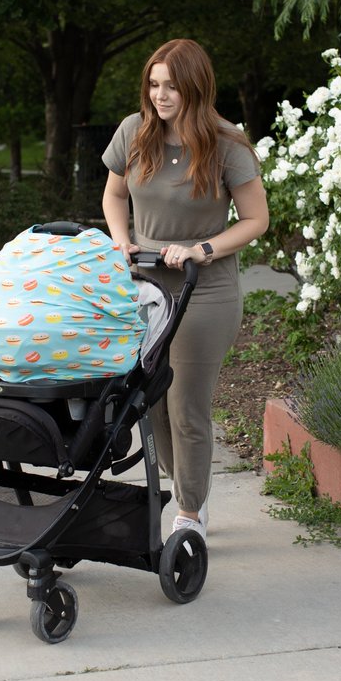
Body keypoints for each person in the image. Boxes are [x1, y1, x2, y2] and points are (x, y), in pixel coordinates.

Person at [101, 39, 269, 541]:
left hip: (205, 290)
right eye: (154, 85)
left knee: (185, 406)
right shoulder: (134, 132)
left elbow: (256, 219)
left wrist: (202, 249)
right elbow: (113, 195)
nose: (160, 95)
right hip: (146, 286)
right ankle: (188, 488)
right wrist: (121, 241)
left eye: (171, 86)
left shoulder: (226, 143)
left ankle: (190, 513)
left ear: (195, 87)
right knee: (150, 402)